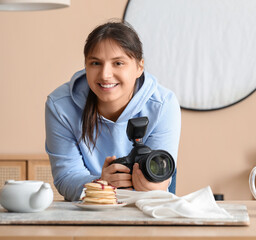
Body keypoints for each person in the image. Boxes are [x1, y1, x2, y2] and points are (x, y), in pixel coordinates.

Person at [45, 20, 181, 201]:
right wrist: (100, 183)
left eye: (118, 63)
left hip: (149, 202)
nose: (105, 75)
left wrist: (154, 188)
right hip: (91, 203)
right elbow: (66, 176)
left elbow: (161, 170)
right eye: (95, 63)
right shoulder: (60, 106)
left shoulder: (163, 104)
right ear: (85, 65)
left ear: (139, 67)